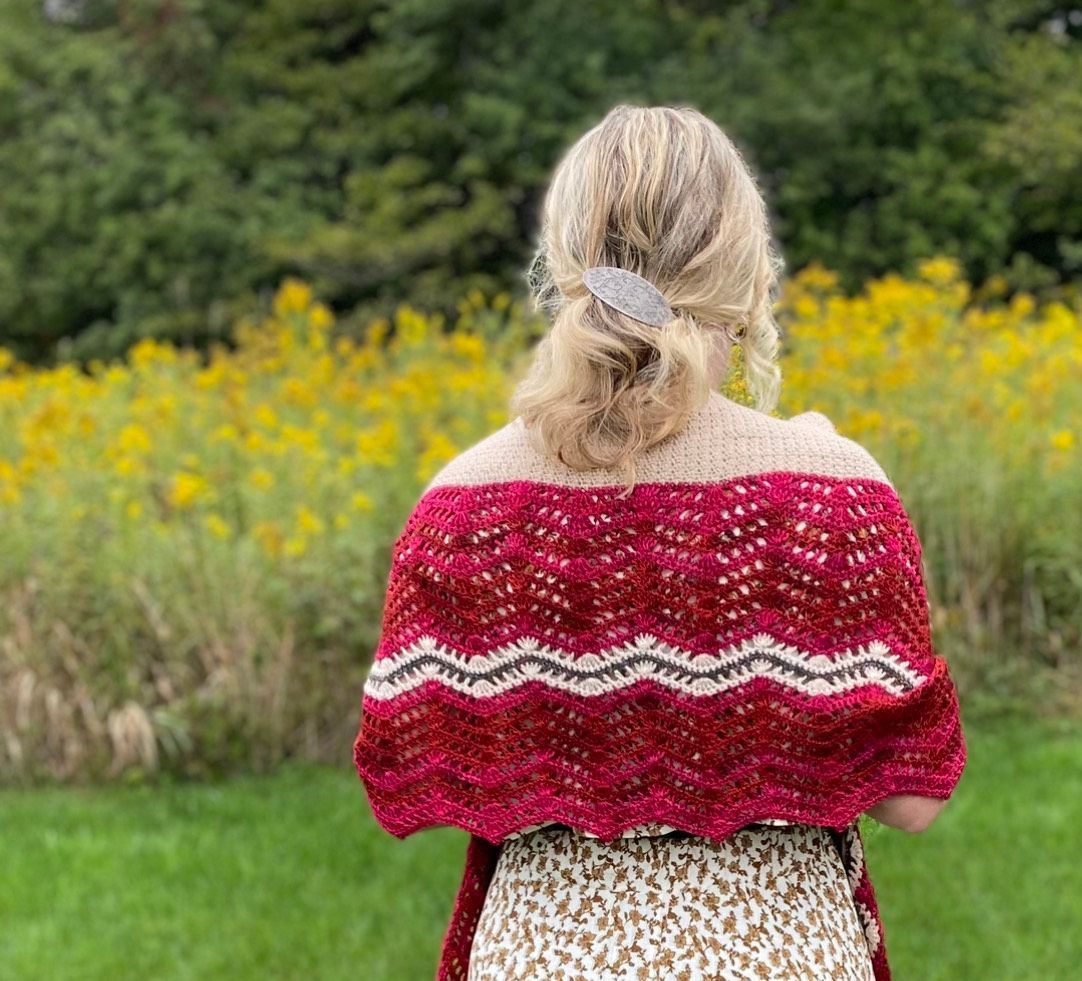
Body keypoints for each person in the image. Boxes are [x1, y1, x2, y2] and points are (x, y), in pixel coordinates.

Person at [353, 103, 967, 981]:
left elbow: (412, 761)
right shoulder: (836, 489)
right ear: (751, 281)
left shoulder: (461, 503)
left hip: (543, 959)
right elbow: (910, 799)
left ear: (564, 269)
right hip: (777, 958)